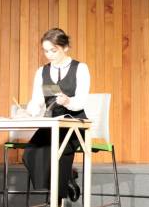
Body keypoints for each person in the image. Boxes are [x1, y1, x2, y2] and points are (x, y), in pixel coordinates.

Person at [22, 28, 90, 205]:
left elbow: (81, 101)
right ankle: (67, 178)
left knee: (57, 152)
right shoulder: (41, 72)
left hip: (73, 124)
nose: (49, 55)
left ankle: (56, 200)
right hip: (51, 124)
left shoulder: (80, 68)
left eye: (54, 50)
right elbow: (37, 100)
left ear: (65, 47)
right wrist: (30, 110)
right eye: (46, 51)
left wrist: (68, 101)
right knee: (31, 152)